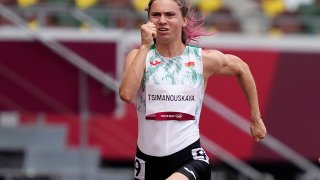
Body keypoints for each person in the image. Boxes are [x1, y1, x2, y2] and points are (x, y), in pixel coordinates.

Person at [119, 0, 267, 179]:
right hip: (147, 161)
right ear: (148, 21)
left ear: (184, 20)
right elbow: (126, 94)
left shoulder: (201, 59)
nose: (162, 20)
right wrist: (144, 46)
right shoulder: (138, 57)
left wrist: (255, 118)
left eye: (170, 15)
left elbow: (242, 68)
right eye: (156, 15)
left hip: (189, 157)